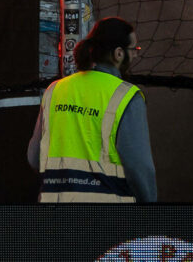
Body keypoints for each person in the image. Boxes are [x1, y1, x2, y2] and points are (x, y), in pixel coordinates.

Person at [34, 17, 156, 202]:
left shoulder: (55, 90)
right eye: (134, 50)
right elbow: (139, 169)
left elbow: (34, 158)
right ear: (118, 54)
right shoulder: (128, 97)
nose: (136, 55)